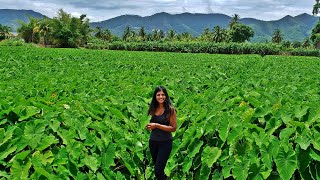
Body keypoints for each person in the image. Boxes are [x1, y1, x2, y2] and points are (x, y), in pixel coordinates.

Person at [146, 86, 177, 180]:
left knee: (158, 171)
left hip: (165, 143)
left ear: (166, 96)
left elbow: (173, 128)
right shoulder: (152, 109)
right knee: (159, 169)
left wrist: (157, 125)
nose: (161, 97)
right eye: (158, 95)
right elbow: (147, 122)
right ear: (155, 96)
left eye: (163, 95)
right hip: (153, 142)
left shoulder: (170, 110)